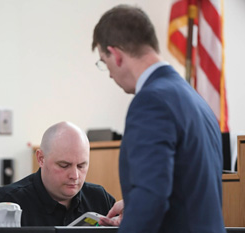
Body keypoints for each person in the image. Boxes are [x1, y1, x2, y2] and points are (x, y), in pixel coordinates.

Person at [92, 5, 226, 233]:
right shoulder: (196, 99)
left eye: (105, 64)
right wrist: (134, 206)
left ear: (116, 55)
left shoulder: (151, 101)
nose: (111, 74)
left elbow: (150, 198)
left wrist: (140, 208)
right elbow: (190, 186)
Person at [0, 121, 115, 226]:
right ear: (41, 159)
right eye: (64, 165)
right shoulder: (5, 206)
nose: (75, 175)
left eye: (81, 166)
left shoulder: (100, 200)